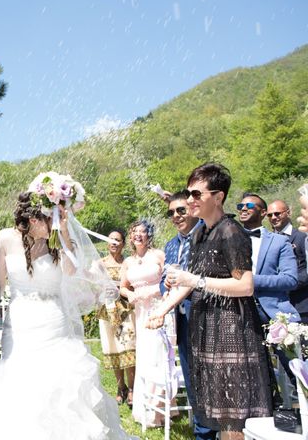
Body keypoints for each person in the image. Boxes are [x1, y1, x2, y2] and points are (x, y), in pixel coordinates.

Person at [0, 189, 131, 439]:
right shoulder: (6, 238)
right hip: (20, 326)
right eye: (49, 218)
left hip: (55, 323)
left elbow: (72, 272)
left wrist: (63, 234)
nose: (53, 223)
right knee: (22, 386)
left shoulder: (58, 240)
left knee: (60, 385)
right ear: (32, 219)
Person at [148, 163, 274, 439]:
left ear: (218, 197)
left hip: (231, 332)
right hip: (205, 330)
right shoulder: (200, 234)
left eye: (196, 194)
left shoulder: (231, 232)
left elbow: (245, 285)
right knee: (218, 411)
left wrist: (197, 282)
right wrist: (162, 309)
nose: (189, 200)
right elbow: (188, 280)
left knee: (233, 415)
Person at [159, 191, 216, 440]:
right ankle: (202, 432)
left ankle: (219, 430)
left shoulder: (209, 236)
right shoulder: (171, 245)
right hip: (182, 320)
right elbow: (163, 281)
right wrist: (167, 285)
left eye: (180, 210)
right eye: (171, 212)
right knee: (192, 378)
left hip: (208, 317)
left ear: (192, 209)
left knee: (214, 379)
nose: (175, 216)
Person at [119, 219, 169, 427]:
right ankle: (146, 407)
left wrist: (152, 291)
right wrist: (129, 295)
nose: (138, 235)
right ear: (130, 237)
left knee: (159, 353)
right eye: (134, 232)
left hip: (159, 307)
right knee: (145, 354)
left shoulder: (158, 255)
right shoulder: (128, 262)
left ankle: (162, 407)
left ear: (149, 235)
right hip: (140, 311)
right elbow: (122, 287)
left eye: (142, 231)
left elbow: (169, 280)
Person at [237, 193, 299, 323]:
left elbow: (290, 279)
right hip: (237, 314)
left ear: (263, 212)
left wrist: (251, 280)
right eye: (240, 206)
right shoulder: (229, 239)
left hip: (272, 314)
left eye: (249, 205)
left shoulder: (280, 241)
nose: (243, 208)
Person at [97, 229, 136, 405]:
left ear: (123, 243)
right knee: (112, 348)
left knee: (128, 348)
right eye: (111, 239)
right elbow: (94, 286)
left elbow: (134, 284)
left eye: (118, 240)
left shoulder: (128, 263)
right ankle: (121, 387)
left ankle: (133, 388)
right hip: (107, 310)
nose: (114, 243)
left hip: (126, 309)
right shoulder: (100, 263)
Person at [268, 199, 308, 323]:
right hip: (275, 307)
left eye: (277, 213)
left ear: (288, 213)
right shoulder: (267, 240)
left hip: (301, 304)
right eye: (270, 215)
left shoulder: (302, 237)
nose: (273, 217)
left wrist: (286, 284)